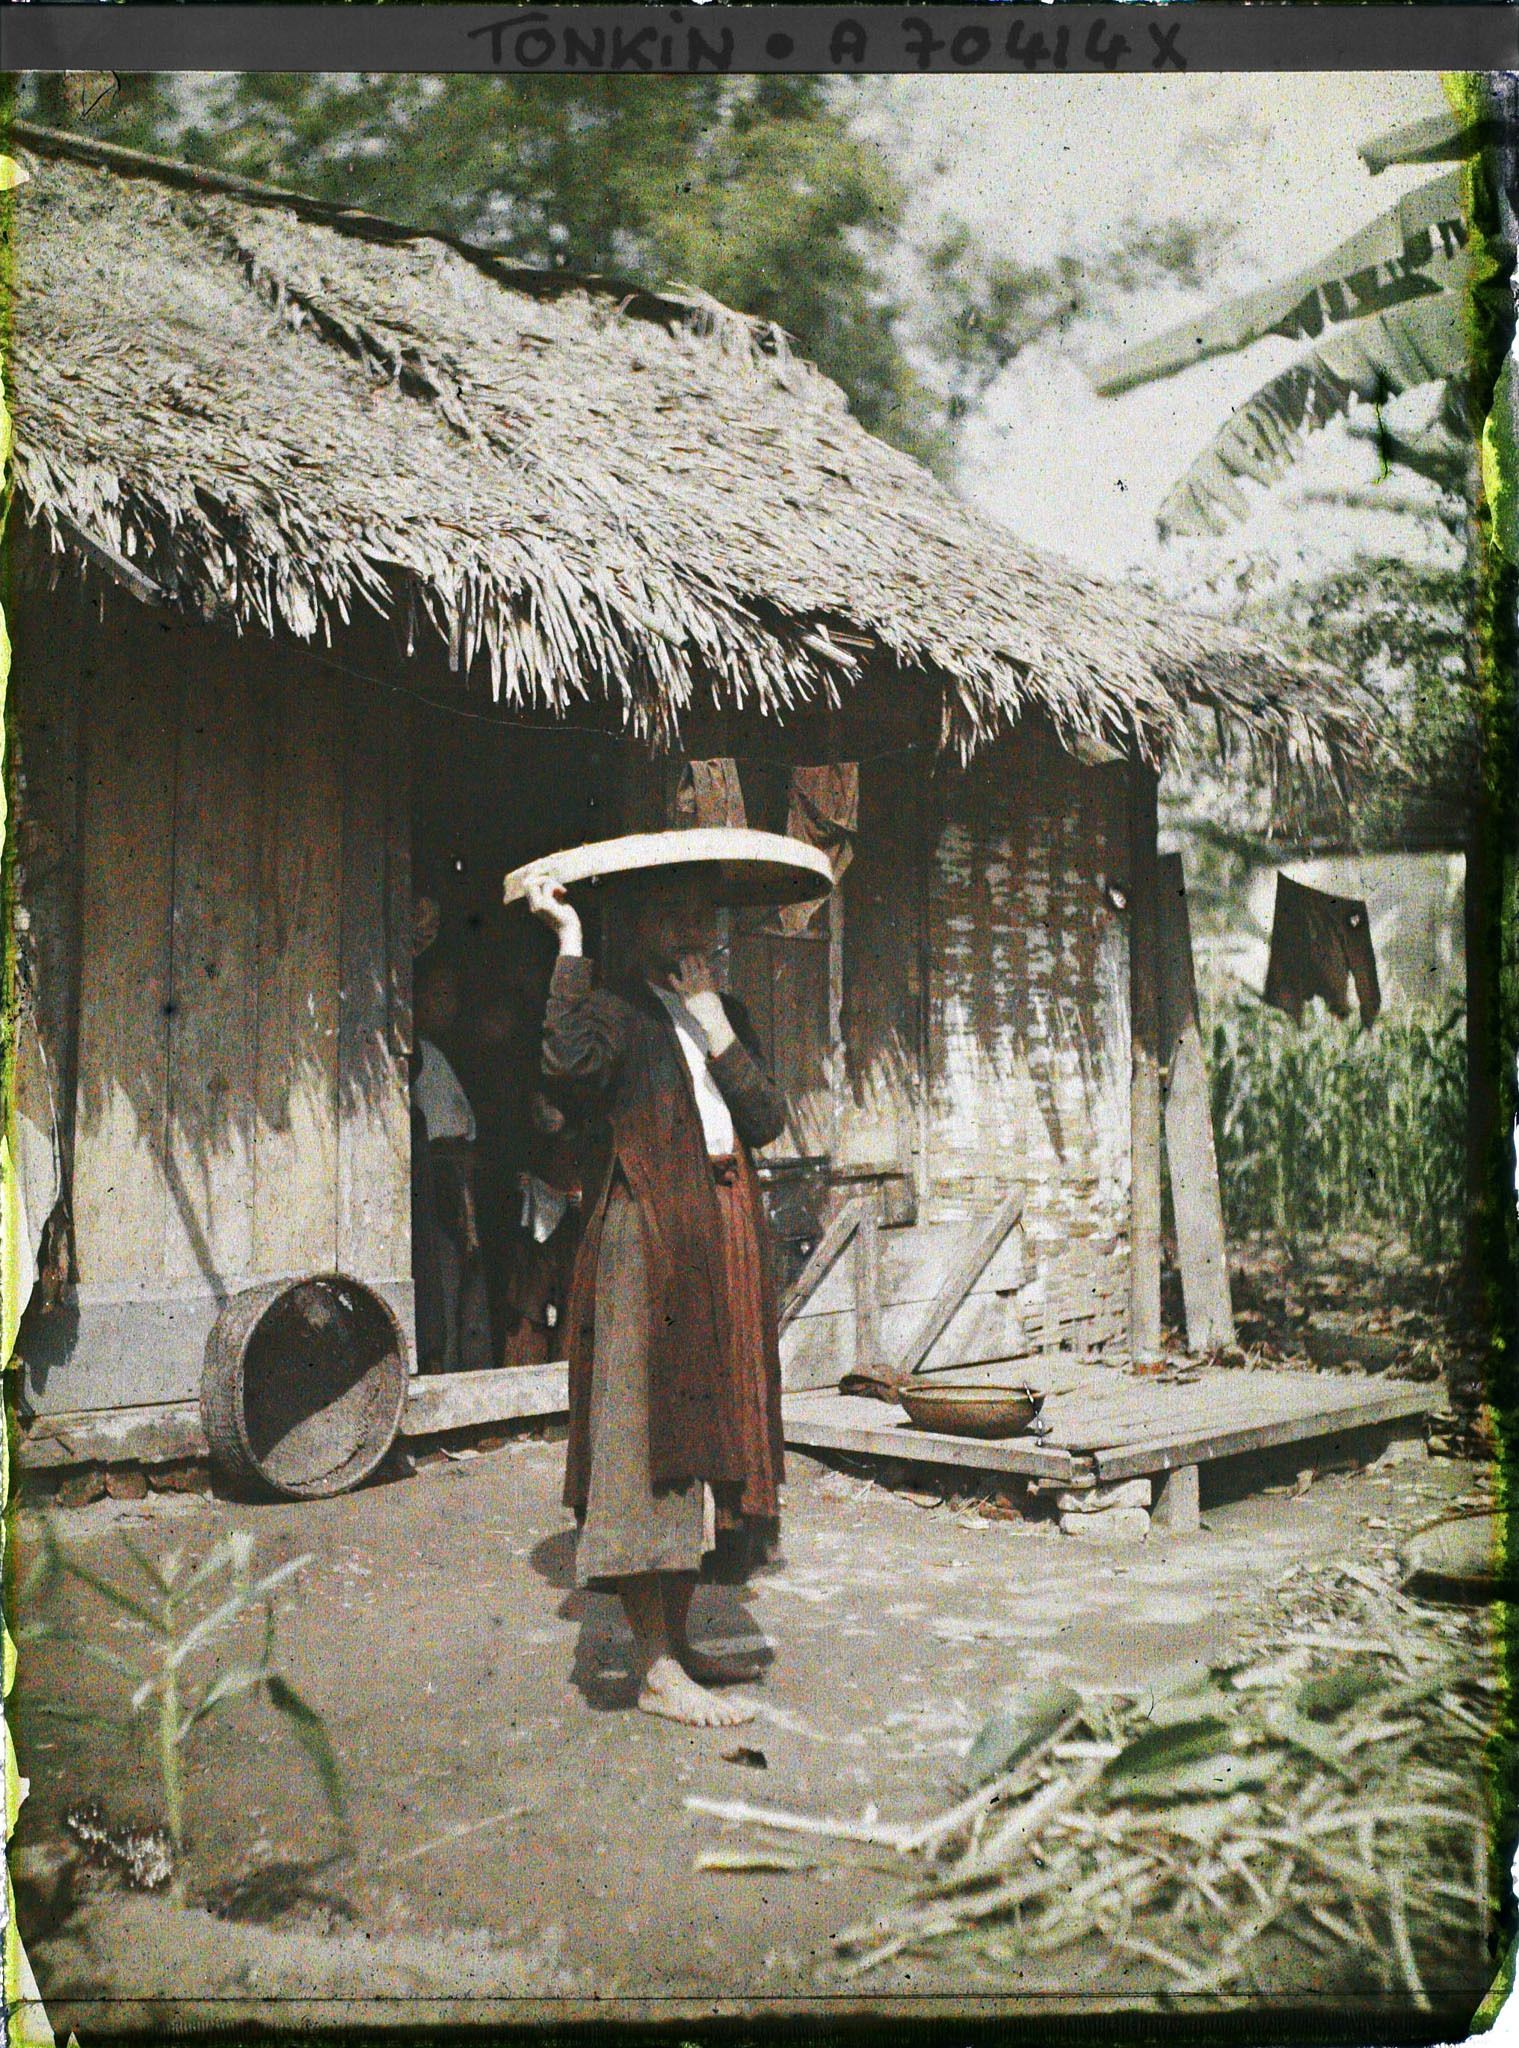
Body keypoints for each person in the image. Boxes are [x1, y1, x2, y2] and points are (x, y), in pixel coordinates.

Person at [527, 864, 788, 1728]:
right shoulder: (613, 1012)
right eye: (671, 915)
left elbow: (765, 1119)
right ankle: (649, 1665)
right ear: (636, 926)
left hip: (723, 1235)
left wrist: (717, 1027)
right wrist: (566, 946)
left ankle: (677, 1647)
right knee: (647, 1440)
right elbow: (562, 1063)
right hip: (648, 1237)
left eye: (700, 915)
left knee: (711, 1439)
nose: (690, 932)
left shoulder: (728, 1013)